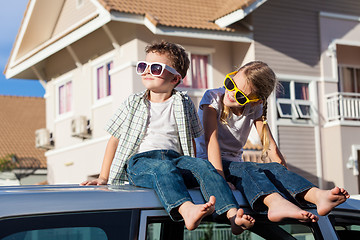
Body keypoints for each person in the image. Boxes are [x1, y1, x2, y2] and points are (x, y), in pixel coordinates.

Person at [81, 41, 255, 234]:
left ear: (175, 78)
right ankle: (186, 209)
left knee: (204, 166)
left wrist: (195, 165)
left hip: (175, 159)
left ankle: (232, 216)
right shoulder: (133, 102)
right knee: (163, 168)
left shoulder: (184, 102)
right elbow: (114, 139)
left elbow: (193, 139)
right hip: (141, 162)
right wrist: (103, 177)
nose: (147, 71)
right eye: (143, 66)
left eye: (156, 68)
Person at [195, 61, 350, 223]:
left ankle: (316, 195)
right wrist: (220, 180)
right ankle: (275, 203)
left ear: (256, 101)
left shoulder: (254, 108)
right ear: (232, 75)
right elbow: (211, 142)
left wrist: (283, 174)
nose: (231, 93)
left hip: (234, 166)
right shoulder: (212, 99)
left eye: (240, 96)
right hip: (209, 165)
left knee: (271, 168)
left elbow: (270, 147)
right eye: (230, 83)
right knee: (248, 168)